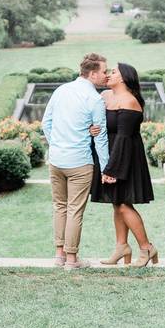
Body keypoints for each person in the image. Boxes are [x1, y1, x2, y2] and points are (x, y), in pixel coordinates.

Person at [41, 53, 108, 270]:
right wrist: (106, 167)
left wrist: (57, 144)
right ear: (93, 73)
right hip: (79, 163)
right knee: (74, 210)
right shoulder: (95, 99)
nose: (106, 75)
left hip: (57, 160)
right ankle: (72, 260)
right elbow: (101, 137)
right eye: (104, 72)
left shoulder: (61, 90)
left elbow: (46, 123)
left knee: (59, 207)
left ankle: (59, 256)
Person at [89, 62, 157, 267]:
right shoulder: (105, 97)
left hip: (124, 157)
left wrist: (112, 169)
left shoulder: (129, 101)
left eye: (113, 72)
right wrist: (92, 128)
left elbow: (124, 138)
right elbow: (99, 121)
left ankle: (146, 248)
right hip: (110, 155)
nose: (108, 74)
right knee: (117, 203)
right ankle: (122, 247)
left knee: (124, 204)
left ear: (124, 78)